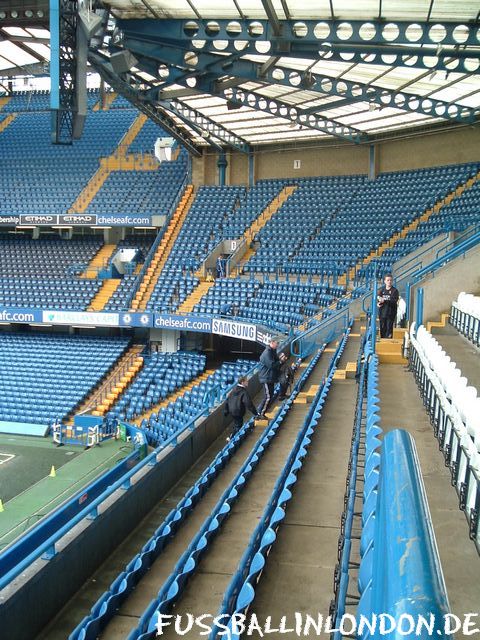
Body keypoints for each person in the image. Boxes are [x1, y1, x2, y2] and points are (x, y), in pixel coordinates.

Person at [224, 376, 258, 440]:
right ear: (242, 382)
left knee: (236, 423)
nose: (248, 382)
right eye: (246, 381)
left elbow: (227, 400)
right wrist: (255, 413)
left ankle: (232, 436)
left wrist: (226, 411)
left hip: (231, 410)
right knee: (238, 425)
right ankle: (231, 438)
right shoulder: (243, 392)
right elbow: (249, 404)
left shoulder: (233, 389)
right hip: (238, 411)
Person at [257, 339, 283, 417]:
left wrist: (281, 360)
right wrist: (280, 361)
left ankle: (261, 411)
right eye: (277, 342)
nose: (278, 344)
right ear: (272, 342)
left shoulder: (273, 351)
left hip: (270, 377)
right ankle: (260, 413)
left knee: (270, 396)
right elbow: (271, 365)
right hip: (266, 377)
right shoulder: (267, 352)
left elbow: (276, 362)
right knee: (268, 396)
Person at [377, 273, 399, 338]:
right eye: (388, 280)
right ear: (385, 281)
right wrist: (378, 303)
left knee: (389, 329)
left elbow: (394, 301)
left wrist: (385, 300)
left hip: (390, 313)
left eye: (390, 280)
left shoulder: (395, 291)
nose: (389, 282)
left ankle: (388, 340)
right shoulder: (382, 290)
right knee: (382, 328)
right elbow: (378, 298)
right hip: (382, 313)